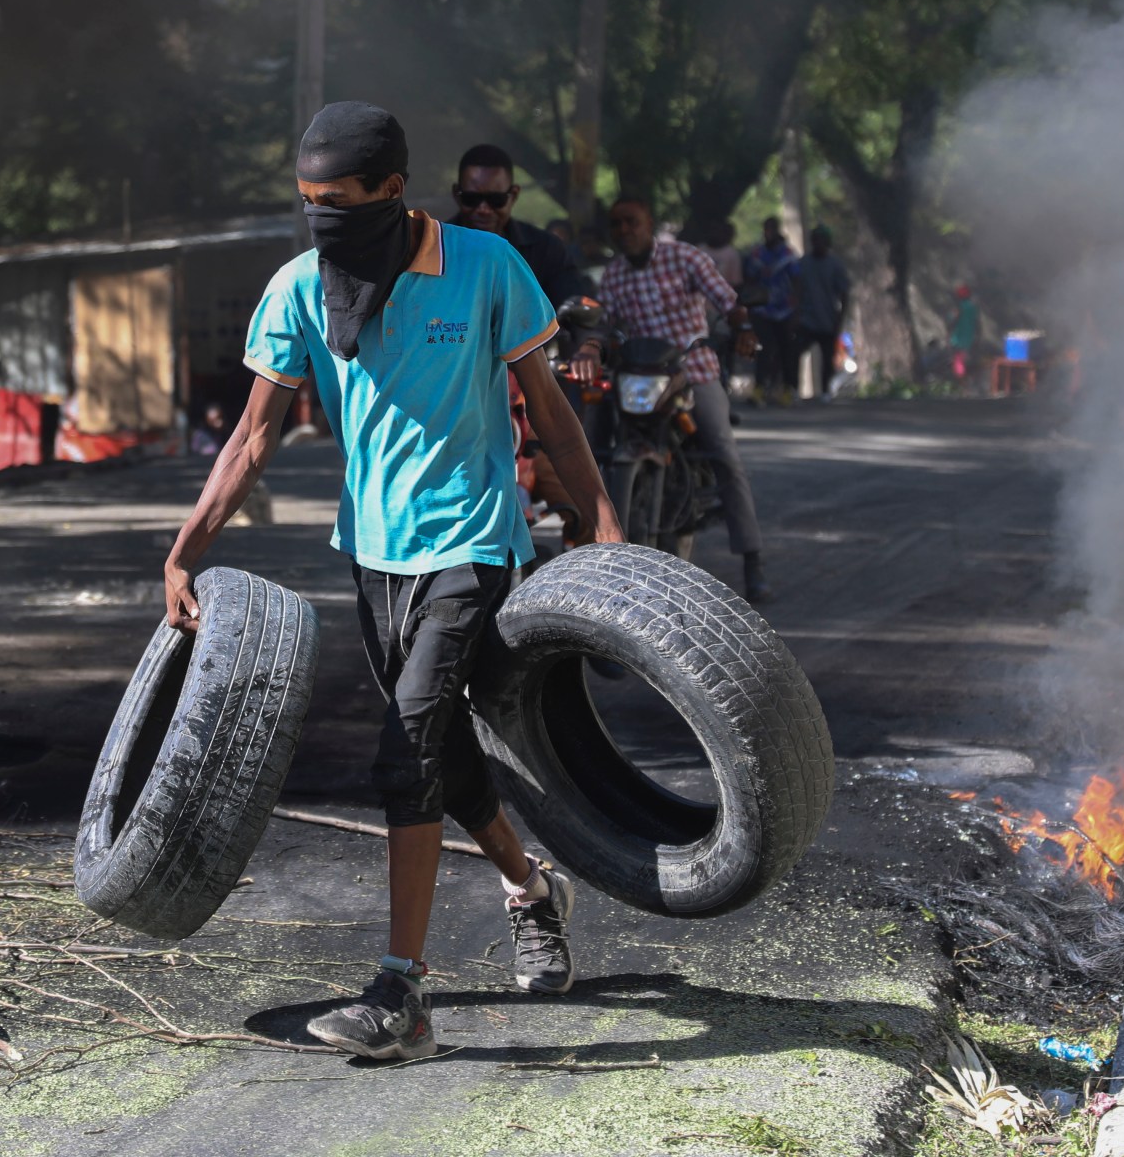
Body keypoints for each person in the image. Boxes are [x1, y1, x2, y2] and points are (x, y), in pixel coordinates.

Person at [165, 102, 623, 1063]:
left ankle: (401, 996)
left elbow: (549, 411)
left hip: (473, 544)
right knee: (441, 758)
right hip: (373, 556)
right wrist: (187, 546)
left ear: (390, 190)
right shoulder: (299, 289)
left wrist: (604, 524)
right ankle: (533, 893)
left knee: (405, 742)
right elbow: (254, 436)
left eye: (338, 202)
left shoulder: (487, 268)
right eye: (307, 204)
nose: (322, 218)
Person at [571, 196, 770, 603]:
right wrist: (590, 346)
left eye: (632, 222)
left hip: (691, 372)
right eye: (617, 225)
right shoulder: (613, 276)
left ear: (650, 223)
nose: (625, 231)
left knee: (724, 454)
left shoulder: (685, 259)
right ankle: (589, 547)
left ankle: (753, 561)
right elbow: (604, 322)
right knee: (592, 444)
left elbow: (726, 300)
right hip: (638, 379)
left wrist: (744, 327)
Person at [450, 143, 586, 308]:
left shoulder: (546, 250)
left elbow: (572, 311)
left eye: (496, 200)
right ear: (457, 194)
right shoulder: (431, 247)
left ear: (513, 195)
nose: (483, 209)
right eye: (472, 199)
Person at [742, 219, 803, 405]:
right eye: (766, 229)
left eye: (771, 229)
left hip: (784, 310)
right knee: (763, 349)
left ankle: (788, 389)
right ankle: (760, 388)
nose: (768, 233)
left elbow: (797, 282)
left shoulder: (788, 254)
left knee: (787, 351)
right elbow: (749, 280)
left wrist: (796, 310)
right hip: (763, 310)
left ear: (777, 231)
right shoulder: (757, 254)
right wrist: (749, 307)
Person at [797, 224, 852, 401]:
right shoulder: (803, 263)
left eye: (822, 240)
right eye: (815, 240)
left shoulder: (835, 265)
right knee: (795, 352)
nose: (818, 243)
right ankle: (792, 387)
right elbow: (795, 289)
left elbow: (844, 294)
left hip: (827, 318)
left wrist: (840, 318)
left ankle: (826, 390)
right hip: (806, 318)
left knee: (827, 356)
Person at [947, 283, 982, 387]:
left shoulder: (958, 307)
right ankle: (967, 382)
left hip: (958, 338)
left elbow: (951, 320)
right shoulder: (973, 307)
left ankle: (962, 384)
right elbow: (977, 323)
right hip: (970, 339)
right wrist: (978, 336)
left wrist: (949, 330)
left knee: (958, 360)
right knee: (966, 360)